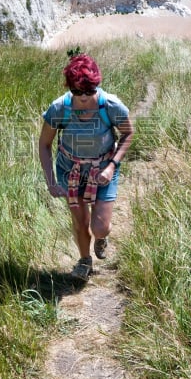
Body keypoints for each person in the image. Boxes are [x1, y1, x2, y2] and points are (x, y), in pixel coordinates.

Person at [39, 53, 134, 283]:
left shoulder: (110, 106)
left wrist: (112, 166)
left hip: (103, 170)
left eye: (90, 91)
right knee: (81, 221)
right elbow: (45, 144)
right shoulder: (59, 109)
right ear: (69, 88)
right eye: (77, 92)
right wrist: (51, 181)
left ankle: (101, 238)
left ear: (97, 86)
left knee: (99, 227)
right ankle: (84, 261)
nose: (83, 97)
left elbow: (128, 134)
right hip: (69, 170)